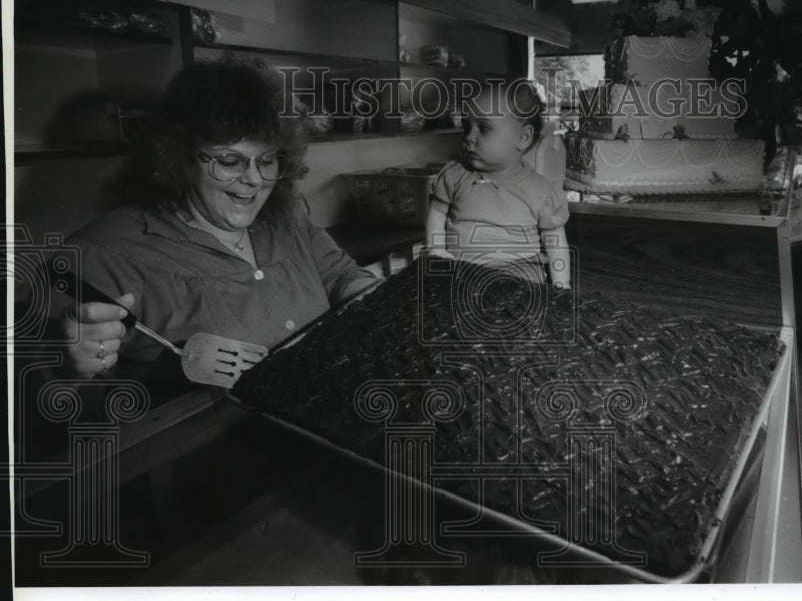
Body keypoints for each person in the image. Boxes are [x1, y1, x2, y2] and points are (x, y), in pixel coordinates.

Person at [58, 56, 380, 388]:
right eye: (229, 160)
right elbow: (34, 400)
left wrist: (370, 297)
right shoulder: (103, 253)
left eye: (267, 160)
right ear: (180, 160)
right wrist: (69, 366)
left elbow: (340, 274)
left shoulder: (285, 220)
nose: (254, 179)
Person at [424, 80, 572, 288]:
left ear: (522, 138)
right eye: (467, 127)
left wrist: (561, 284)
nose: (469, 137)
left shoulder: (541, 191)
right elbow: (437, 212)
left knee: (526, 298)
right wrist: (437, 249)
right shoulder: (456, 174)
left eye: (483, 128)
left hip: (519, 274)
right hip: (461, 270)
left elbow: (555, 240)